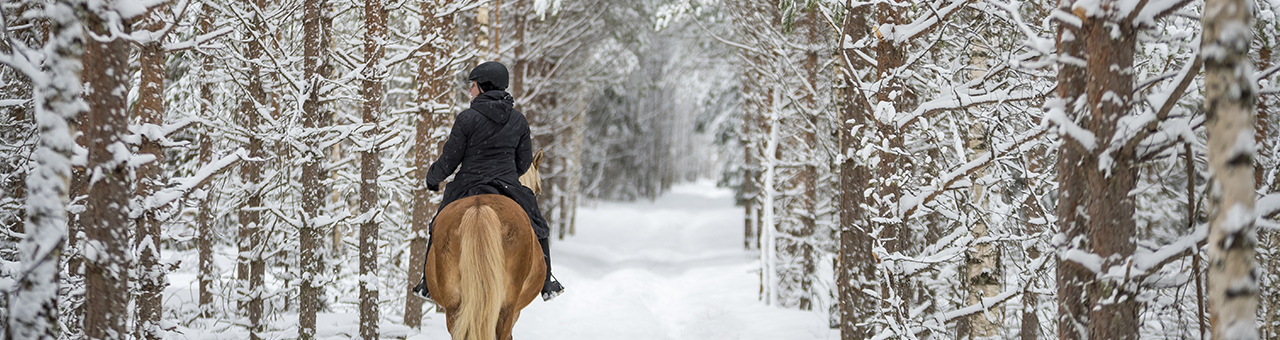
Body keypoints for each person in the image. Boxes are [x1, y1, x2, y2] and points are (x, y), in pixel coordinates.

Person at [412, 61, 565, 301]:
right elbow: (524, 163)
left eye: (472, 85)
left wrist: (433, 178)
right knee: (539, 226)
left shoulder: (466, 118)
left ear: (484, 86)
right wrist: (505, 174)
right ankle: (547, 282)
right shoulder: (519, 120)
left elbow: (450, 159)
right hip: (507, 185)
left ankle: (427, 284)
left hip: (467, 185)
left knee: (437, 225)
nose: (470, 91)